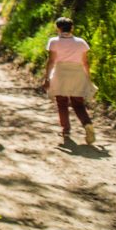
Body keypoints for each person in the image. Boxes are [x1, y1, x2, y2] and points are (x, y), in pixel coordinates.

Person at [42, 16, 96, 144]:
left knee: (62, 103)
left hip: (61, 73)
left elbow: (51, 61)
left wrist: (47, 78)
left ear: (58, 28)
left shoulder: (54, 41)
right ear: (72, 28)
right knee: (78, 103)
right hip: (78, 73)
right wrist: (88, 77)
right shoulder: (81, 42)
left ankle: (66, 129)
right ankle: (87, 124)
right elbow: (85, 62)